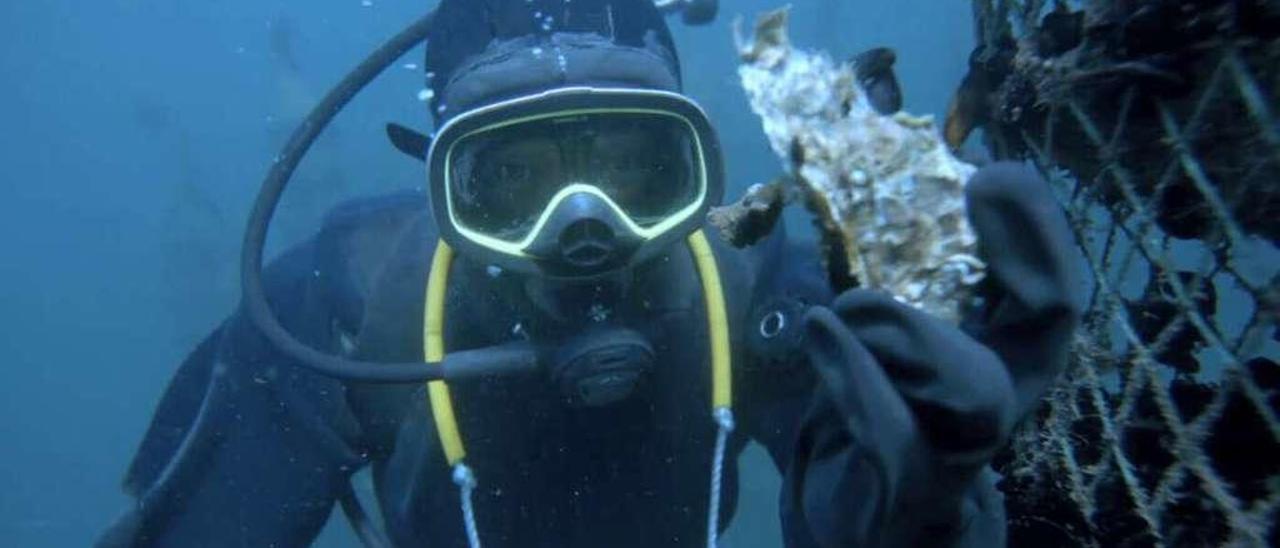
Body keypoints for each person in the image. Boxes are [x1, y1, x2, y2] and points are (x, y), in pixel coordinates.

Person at [98, 1, 1081, 546]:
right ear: (442, 185)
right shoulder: (341, 309)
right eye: (511, 181)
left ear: (694, 174)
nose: (583, 234)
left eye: (631, 170)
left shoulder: (762, 292)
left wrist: (916, 515)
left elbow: (854, 479)